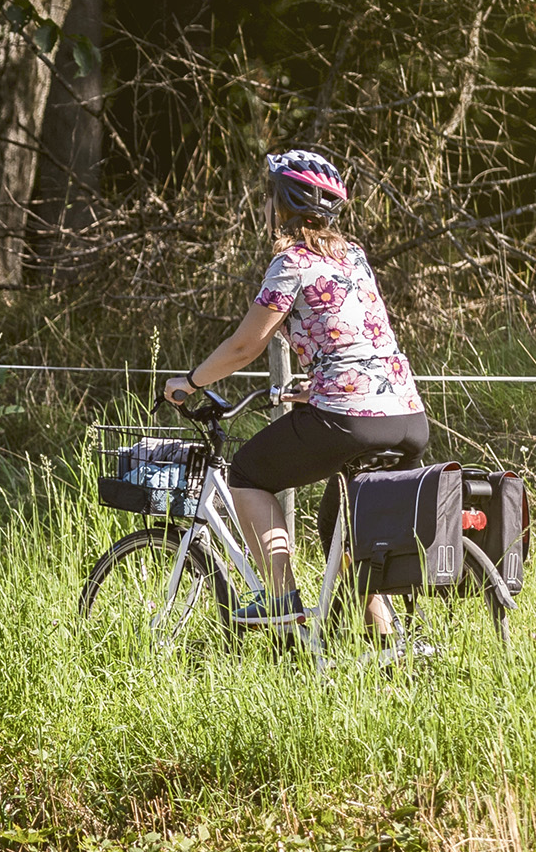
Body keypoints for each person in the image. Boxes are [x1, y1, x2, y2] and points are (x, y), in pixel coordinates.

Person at [166, 150, 427, 635]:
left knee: (246, 473)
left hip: (350, 417)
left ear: (282, 204)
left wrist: (192, 381)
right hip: (408, 416)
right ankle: (385, 651)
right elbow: (355, 340)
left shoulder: (292, 262)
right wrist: (319, 384)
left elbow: (245, 346)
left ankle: (281, 601)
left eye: (268, 199)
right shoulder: (353, 257)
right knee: (343, 536)